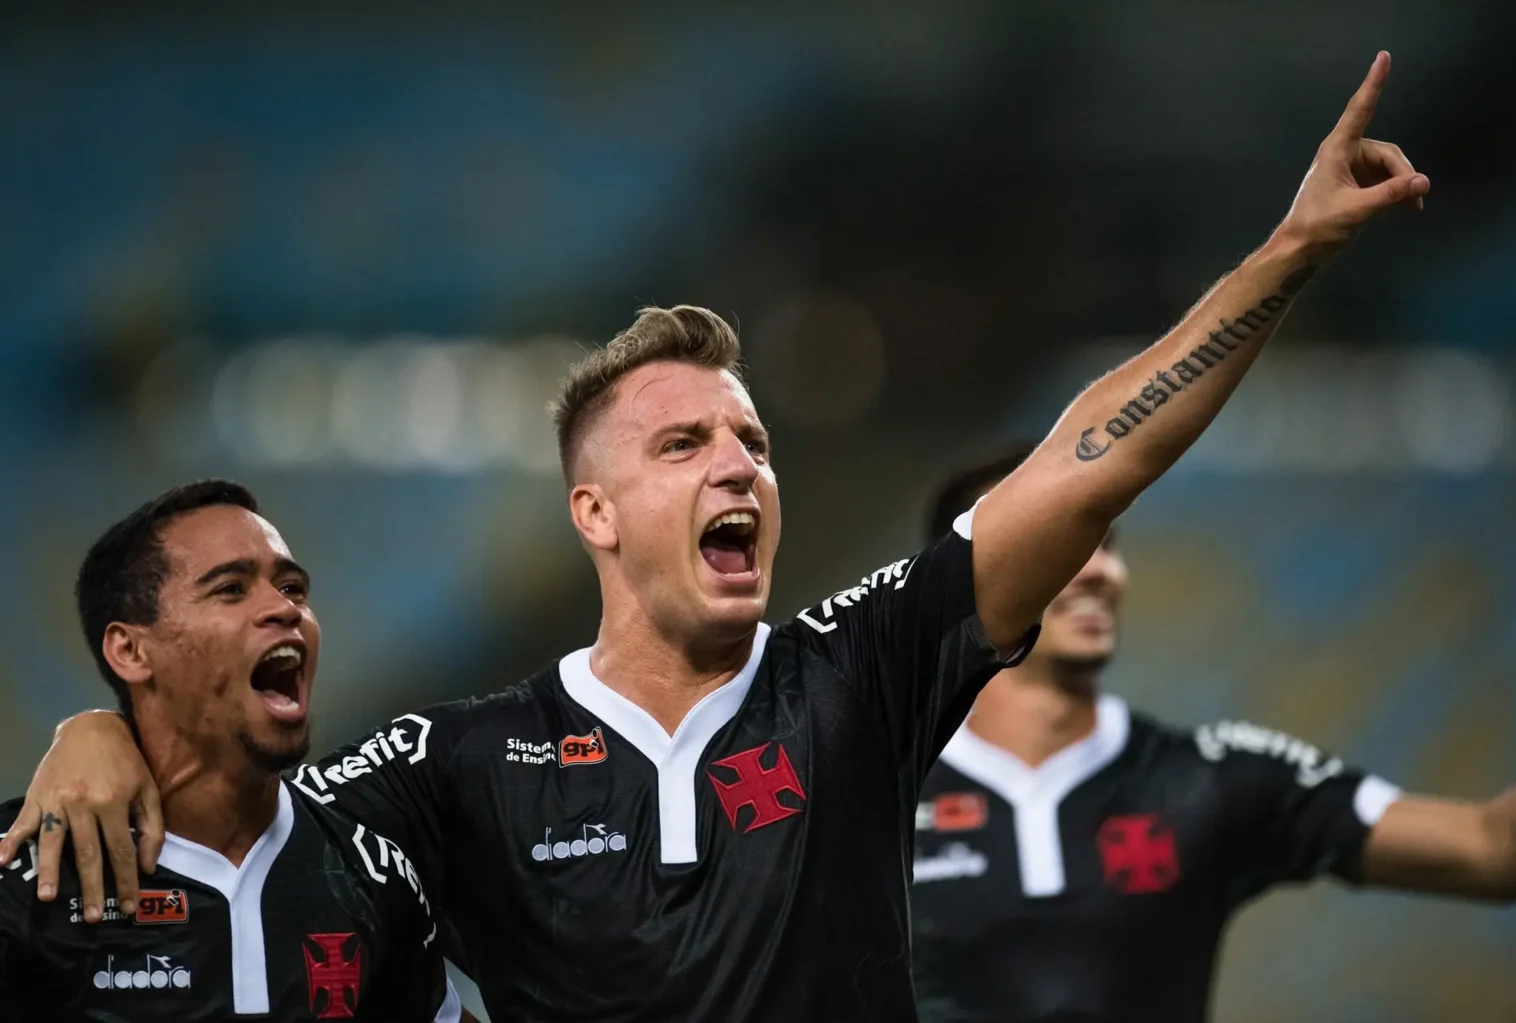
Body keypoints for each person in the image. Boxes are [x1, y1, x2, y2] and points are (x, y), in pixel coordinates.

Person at [1, 52, 1430, 1021]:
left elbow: (1092, 460)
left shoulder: (859, 673)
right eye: (684, 442)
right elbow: (247, 814)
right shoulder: (460, 766)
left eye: (752, 440)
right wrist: (105, 727)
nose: (739, 461)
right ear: (596, 512)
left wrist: (1285, 253)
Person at [911, 444, 1516, 1022]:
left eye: (1108, 543)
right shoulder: (859, 794)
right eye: (1060, 541)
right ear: (957, 584)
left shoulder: (1208, 778)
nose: (1100, 569)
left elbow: (1497, 849)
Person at [0, 482, 465, 1021]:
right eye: (230, 589)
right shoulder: (27, 881)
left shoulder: (368, 874)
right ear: (130, 650)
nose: (283, 608)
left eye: (292, 587)